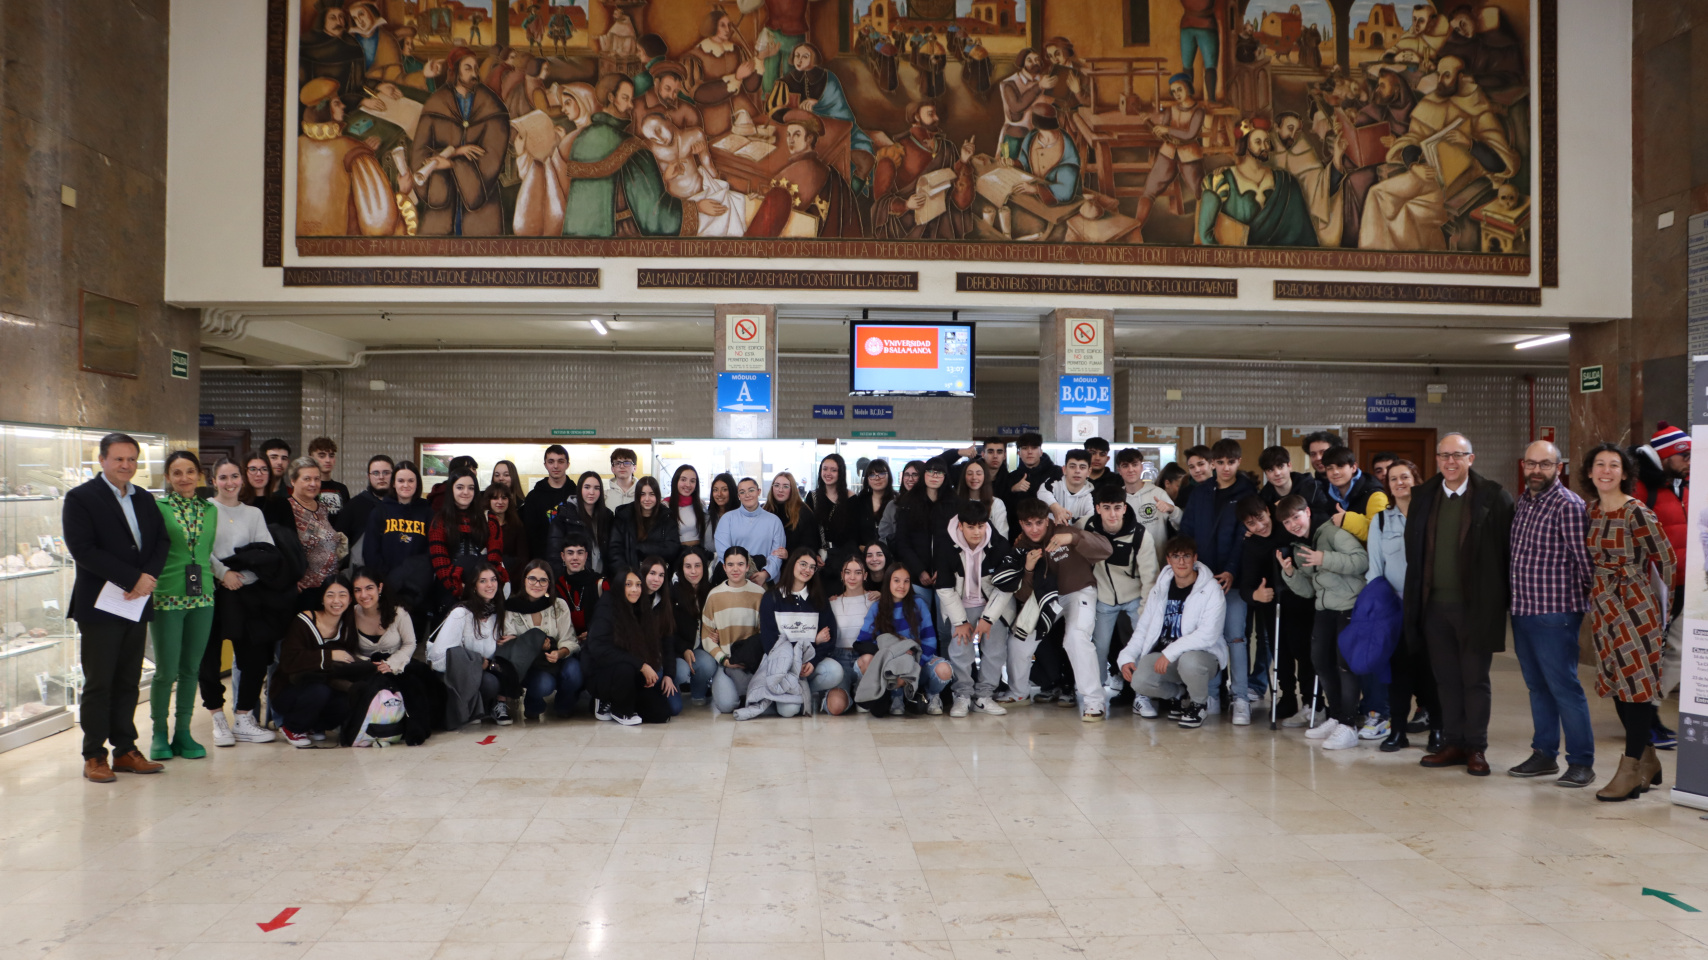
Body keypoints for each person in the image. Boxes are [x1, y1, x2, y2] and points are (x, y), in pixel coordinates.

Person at [1407, 433, 1514, 778]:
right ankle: (1452, 742)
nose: (1450, 462)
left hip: (1475, 607)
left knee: (1474, 680)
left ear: (1471, 458)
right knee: (1446, 680)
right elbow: (1415, 552)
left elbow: (1505, 554)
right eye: (1444, 456)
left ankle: (1476, 747)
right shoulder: (1423, 496)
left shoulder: (1493, 497)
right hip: (1433, 607)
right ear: (1437, 459)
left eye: (1457, 455)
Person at [64, 433, 170, 781]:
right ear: (103, 460)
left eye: (132, 460)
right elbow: (84, 549)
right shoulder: (81, 498)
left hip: (136, 603)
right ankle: (94, 754)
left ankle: (125, 749)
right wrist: (131, 578)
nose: (126, 466)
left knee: (128, 680)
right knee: (99, 682)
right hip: (100, 605)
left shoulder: (143, 498)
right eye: (119, 459)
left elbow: (161, 541)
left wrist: (148, 577)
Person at [1583, 444, 1676, 802]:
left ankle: (1630, 767)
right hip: (1604, 607)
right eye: (1599, 465)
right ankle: (1648, 760)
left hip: (1636, 607)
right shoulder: (1591, 511)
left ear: (1625, 473)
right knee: (1617, 687)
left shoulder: (1637, 512)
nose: (1606, 471)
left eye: (1614, 465)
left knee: (1635, 687)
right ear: (1590, 473)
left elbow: (1667, 560)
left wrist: (1664, 610)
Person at [1505, 441, 1597, 787]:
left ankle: (1581, 762)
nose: (1536, 471)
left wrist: (1578, 605)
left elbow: (1585, 562)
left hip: (1555, 613)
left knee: (1564, 688)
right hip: (1524, 610)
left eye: (1545, 464)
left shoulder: (1568, 505)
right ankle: (1544, 754)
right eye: (1531, 464)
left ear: (1559, 467)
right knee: (1537, 688)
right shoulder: (1524, 502)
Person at [1004, 497, 1114, 719]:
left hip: (1078, 591)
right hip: (1043, 599)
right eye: (1028, 524)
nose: (1034, 529)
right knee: (1018, 638)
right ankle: (1018, 692)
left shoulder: (1065, 531)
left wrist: (1073, 538)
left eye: (1039, 522)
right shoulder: (1021, 546)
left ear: (1047, 520)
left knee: (1075, 637)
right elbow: (1023, 594)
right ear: (1020, 524)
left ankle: (1094, 701)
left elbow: (1106, 549)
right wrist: (1027, 569)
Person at [196, 458, 280, 748]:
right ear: (213, 480)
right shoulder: (205, 510)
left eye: (234, 476)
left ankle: (244, 716)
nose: (229, 482)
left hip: (248, 590)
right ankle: (218, 717)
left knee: (255, 656)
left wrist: (241, 575)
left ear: (242, 479)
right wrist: (224, 573)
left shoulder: (253, 513)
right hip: (214, 590)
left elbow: (265, 550)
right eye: (223, 477)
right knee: (208, 657)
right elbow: (199, 549)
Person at [1276, 494, 1369, 751]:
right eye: (1286, 522)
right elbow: (1307, 591)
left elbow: (1361, 561)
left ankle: (1349, 725)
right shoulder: (1298, 547)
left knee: (1344, 665)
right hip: (1323, 608)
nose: (1293, 524)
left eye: (1296, 517)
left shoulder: (1333, 533)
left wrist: (1324, 558)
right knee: (1320, 661)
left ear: (1307, 512)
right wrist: (1291, 574)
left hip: (1350, 605)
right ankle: (1336, 716)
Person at [143, 452, 219, 761]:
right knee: (166, 670)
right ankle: (159, 733)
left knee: (191, 669)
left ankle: (183, 732)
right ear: (168, 477)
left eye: (190, 471)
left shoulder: (210, 510)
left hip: (203, 598)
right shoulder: (157, 508)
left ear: (200, 475)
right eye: (177, 472)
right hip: (166, 596)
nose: (184, 478)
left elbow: (209, 551)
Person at [1178, 438, 1256, 717]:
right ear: (1212, 464)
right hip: (1202, 579)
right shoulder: (1200, 492)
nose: (1225, 468)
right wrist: (1190, 567)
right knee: (1206, 638)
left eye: (1230, 462)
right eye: (1219, 462)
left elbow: (1243, 537)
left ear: (1238, 462)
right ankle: (1209, 696)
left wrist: (1232, 571)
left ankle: (1241, 699)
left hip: (1232, 580)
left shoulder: (1247, 492)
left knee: (1236, 638)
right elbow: (1186, 530)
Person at [1366, 459, 1437, 752]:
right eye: (1393, 479)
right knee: (1398, 673)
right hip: (1395, 609)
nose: (1399, 482)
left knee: (1430, 672)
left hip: (1431, 608)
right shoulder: (1381, 521)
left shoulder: (1433, 516)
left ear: (1416, 479)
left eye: (1405, 476)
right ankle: (1397, 731)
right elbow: (1374, 570)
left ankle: (1438, 730)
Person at [1118, 537, 1227, 728]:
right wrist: (1127, 656)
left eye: (1186, 556)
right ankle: (1179, 696)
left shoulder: (1211, 590)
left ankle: (1198, 704)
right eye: (1176, 556)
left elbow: (1208, 634)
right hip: (1167, 658)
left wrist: (1170, 652)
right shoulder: (1160, 589)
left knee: (1189, 661)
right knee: (1139, 679)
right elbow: (1143, 628)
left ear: (1195, 558)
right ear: (1168, 560)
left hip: (1203, 657)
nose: (1181, 562)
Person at [1237, 494, 1316, 727]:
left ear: (1269, 512)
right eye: (1251, 524)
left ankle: (1311, 702)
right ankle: (1288, 697)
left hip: (1302, 601)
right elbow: (1246, 586)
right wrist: (1255, 595)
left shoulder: (1287, 528)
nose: (1259, 526)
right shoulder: (1251, 544)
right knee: (1281, 654)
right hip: (1274, 606)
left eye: (1261, 518)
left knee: (1304, 653)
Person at [1634, 422, 1690, 748]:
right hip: (1656, 588)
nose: (1689, 460)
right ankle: (1645, 721)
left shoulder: (1682, 483)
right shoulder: (1644, 487)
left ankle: (1650, 712)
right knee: (1652, 654)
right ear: (1666, 455)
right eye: (1683, 455)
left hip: (1686, 584)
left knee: (1680, 652)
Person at [743, 549, 848, 718]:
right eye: (803, 564)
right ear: (792, 564)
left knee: (834, 671)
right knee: (789, 711)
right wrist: (813, 641)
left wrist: (813, 661)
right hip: (782, 666)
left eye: (812, 567)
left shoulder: (818, 598)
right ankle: (788, 695)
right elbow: (771, 642)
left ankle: (795, 693)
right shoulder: (771, 598)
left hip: (809, 664)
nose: (807, 570)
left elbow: (830, 637)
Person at [935, 501, 1016, 717]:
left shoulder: (998, 544)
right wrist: (960, 622)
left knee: (995, 651)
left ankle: (984, 696)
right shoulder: (945, 544)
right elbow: (943, 588)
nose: (977, 532)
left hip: (992, 604)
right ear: (960, 526)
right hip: (960, 605)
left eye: (980, 526)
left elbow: (1006, 587)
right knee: (960, 651)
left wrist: (988, 618)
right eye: (971, 527)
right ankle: (962, 696)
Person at [274, 576, 375, 747]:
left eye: (342, 595)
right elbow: (288, 661)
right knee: (320, 691)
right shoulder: (305, 620)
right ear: (321, 599)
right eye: (330, 595)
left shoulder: (347, 625)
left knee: (348, 698)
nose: (336, 601)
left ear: (350, 599)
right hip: (289, 689)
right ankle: (292, 727)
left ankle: (315, 726)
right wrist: (330, 656)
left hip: (325, 685)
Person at [1084, 485, 1160, 707]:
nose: (1112, 514)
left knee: (1142, 644)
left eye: (1117, 508)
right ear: (1098, 508)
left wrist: (1145, 612)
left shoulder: (1140, 535)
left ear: (1125, 508)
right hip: (1104, 599)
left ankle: (1142, 692)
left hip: (1135, 597)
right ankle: (1095, 695)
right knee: (1099, 648)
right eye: (1106, 508)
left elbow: (1150, 577)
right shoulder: (1088, 527)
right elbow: (1067, 534)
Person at [427, 563, 521, 727]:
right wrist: (473, 663)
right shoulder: (461, 613)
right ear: (474, 586)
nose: (490, 585)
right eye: (483, 581)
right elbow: (437, 659)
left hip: (482, 669)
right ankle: (469, 707)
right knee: (490, 683)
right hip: (454, 675)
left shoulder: (496, 613)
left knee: (501, 672)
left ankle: (487, 706)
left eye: (493, 580)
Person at [855, 564, 952, 714]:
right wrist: (894, 654)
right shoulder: (877, 607)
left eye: (906, 581)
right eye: (897, 581)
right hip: (891, 666)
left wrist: (916, 666)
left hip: (918, 662)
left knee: (944, 670)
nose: (902, 586)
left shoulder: (918, 604)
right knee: (872, 661)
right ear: (888, 582)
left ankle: (933, 695)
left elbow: (929, 639)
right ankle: (896, 696)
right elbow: (863, 641)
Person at [586, 569, 676, 725]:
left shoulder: (641, 605)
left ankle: (617, 701)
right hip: (604, 670)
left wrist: (648, 667)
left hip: (632, 670)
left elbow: (649, 644)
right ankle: (616, 707)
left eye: (638, 585)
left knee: (661, 713)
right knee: (625, 668)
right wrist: (641, 665)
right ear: (620, 587)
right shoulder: (607, 606)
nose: (635, 589)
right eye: (628, 585)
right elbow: (598, 648)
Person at [698, 546, 768, 713]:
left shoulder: (759, 594)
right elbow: (707, 636)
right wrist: (724, 659)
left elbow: (765, 632)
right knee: (727, 705)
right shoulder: (714, 595)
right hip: (726, 663)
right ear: (724, 567)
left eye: (740, 564)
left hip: (753, 663)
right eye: (730, 564)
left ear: (746, 566)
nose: (735, 569)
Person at [510, 560, 582, 722]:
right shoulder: (512, 607)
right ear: (524, 580)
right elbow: (509, 642)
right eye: (532, 579)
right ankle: (533, 702)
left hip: (557, 660)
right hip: (530, 666)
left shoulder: (559, 605)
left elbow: (569, 640)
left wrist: (560, 652)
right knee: (544, 683)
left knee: (574, 672)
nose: (537, 584)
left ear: (549, 584)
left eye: (543, 580)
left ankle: (564, 704)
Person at [429, 469, 508, 608]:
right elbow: (439, 560)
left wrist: (483, 586)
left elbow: (495, 556)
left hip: (484, 588)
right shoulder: (440, 520)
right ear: (451, 489)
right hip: (449, 588)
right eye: (460, 487)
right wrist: (458, 588)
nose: (465, 492)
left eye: (471, 488)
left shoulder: (488, 518)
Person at [362, 459, 433, 601]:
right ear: (393, 483)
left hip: (418, 589)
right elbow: (370, 551)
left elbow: (430, 551)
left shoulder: (427, 512)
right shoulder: (380, 511)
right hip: (387, 587)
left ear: (417, 483)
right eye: (401, 481)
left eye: (411, 481)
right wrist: (387, 581)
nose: (406, 485)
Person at [284, 457, 345, 611]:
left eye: (316, 479)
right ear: (293, 481)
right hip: (304, 590)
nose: (313, 484)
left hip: (329, 587)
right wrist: (289, 580)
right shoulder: (287, 508)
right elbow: (282, 548)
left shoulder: (322, 508)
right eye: (307, 479)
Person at [895, 458, 958, 594]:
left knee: (945, 615)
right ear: (923, 475)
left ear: (945, 476)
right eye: (930, 471)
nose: (934, 476)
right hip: (916, 576)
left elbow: (958, 542)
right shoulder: (908, 503)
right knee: (918, 614)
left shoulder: (955, 504)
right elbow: (902, 541)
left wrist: (943, 570)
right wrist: (919, 571)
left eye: (939, 472)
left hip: (947, 576)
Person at [713, 478, 787, 585]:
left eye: (751, 490)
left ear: (759, 491)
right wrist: (740, 575)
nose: (747, 495)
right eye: (742, 492)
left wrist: (765, 574)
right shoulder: (727, 519)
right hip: (733, 579)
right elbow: (723, 552)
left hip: (763, 580)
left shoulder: (774, 521)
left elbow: (777, 554)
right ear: (739, 496)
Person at [608, 476, 682, 578]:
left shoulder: (667, 517)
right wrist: (626, 575)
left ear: (657, 496)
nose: (647, 499)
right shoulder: (623, 516)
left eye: (652, 494)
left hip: (658, 579)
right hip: (629, 578)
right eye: (642, 494)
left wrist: (640, 547)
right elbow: (614, 551)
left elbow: (672, 549)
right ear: (637, 496)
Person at [829, 555, 878, 698]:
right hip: (839, 659)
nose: (852, 577)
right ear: (842, 575)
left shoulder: (874, 601)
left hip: (864, 658)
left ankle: (860, 690)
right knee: (836, 705)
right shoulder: (833, 602)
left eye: (858, 572)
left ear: (865, 575)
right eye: (847, 572)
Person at [1117, 449, 1176, 567]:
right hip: (1128, 568)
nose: (1131, 470)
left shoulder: (1158, 493)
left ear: (1141, 467)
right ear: (1119, 470)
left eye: (1135, 465)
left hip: (1157, 566)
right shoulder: (1117, 498)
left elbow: (1180, 524)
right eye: (1125, 466)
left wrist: (1172, 509)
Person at [550, 471, 616, 574]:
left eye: (596, 488)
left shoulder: (607, 516)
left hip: (601, 580)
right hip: (573, 579)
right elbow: (554, 556)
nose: (591, 492)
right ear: (579, 489)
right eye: (587, 487)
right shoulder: (564, 516)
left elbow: (612, 552)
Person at [1320, 445, 1390, 542]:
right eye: (1330, 468)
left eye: (1340, 466)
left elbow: (1382, 534)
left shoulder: (1375, 494)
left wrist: (1346, 520)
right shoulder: (1324, 494)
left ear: (1353, 467)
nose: (1335, 472)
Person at [671, 549, 714, 704]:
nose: (693, 571)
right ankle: (671, 689)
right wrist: (683, 649)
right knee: (681, 671)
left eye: (698, 565)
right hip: (677, 649)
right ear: (681, 569)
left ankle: (699, 693)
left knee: (708, 664)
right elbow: (666, 630)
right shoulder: (672, 592)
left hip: (700, 647)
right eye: (688, 566)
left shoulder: (711, 591)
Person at [1258, 445, 1333, 529]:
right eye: (1270, 470)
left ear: (1289, 466)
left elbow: (1326, 520)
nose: (1277, 473)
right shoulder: (1264, 498)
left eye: (1280, 467)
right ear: (1266, 474)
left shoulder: (1312, 489)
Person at [523, 445, 576, 562]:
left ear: (568, 464)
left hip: (572, 561)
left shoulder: (577, 494)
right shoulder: (533, 497)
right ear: (545, 465)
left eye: (560, 461)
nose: (556, 466)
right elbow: (529, 536)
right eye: (551, 461)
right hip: (542, 561)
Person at [338, 454, 393, 562]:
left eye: (386, 473)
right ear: (368, 476)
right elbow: (340, 543)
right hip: (361, 571)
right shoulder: (353, 506)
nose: (381, 477)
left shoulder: (401, 505)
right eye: (376, 473)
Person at [807, 454, 857, 562]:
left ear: (841, 473)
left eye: (833, 470)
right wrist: (814, 554)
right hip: (818, 558)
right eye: (825, 469)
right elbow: (808, 531)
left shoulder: (851, 499)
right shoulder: (812, 497)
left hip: (843, 558)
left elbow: (853, 535)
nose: (828, 473)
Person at [998, 433, 1060, 515]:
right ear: (1019, 453)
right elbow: (1003, 507)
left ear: (1041, 452)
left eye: (1034, 448)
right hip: (1019, 525)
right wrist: (1013, 490)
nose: (1029, 452)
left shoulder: (1056, 472)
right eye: (1025, 448)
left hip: (1051, 524)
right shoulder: (1011, 477)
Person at [766, 472, 822, 556]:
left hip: (794, 563)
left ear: (792, 489)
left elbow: (810, 546)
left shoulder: (803, 512)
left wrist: (789, 554)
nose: (780, 490)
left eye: (785, 486)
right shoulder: (764, 510)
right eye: (777, 485)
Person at [485, 482, 528, 585]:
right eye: (495, 498)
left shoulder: (517, 526)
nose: (500, 502)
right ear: (488, 501)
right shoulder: (481, 526)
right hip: (486, 579)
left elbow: (523, 558)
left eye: (504, 498)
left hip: (512, 580)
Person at [1039, 449, 1097, 526]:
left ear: (1089, 471)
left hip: (1078, 536)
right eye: (1072, 467)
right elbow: (1041, 493)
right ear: (1064, 469)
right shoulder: (1054, 483)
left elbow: (1089, 523)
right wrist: (1056, 508)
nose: (1077, 471)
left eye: (1082, 467)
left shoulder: (1093, 495)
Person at [956, 458, 1009, 539]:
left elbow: (1002, 536)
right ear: (964, 477)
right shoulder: (955, 503)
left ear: (985, 476)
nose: (974, 477)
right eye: (970, 473)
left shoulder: (996, 504)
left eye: (979, 473)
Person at [851, 459, 898, 549]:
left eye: (881, 473)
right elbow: (853, 533)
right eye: (872, 475)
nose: (877, 478)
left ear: (889, 476)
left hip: (892, 555)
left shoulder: (897, 502)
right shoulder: (860, 501)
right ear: (867, 479)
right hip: (864, 554)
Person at [307, 437, 350, 522]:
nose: (328, 460)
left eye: (331, 456)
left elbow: (348, 519)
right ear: (311, 458)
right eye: (322, 456)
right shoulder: (307, 488)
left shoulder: (342, 489)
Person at [670, 464, 708, 550]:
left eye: (692, 481)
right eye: (683, 480)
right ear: (676, 481)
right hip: (677, 554)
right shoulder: (667, 505)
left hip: (698, 553)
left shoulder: (700, 505)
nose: (688, 484)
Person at [705, 473, 738, 551]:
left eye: (724, 490)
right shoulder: (706, 517)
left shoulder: (741, 516)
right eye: (715, 490)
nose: (719, 494)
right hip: (710, 561)